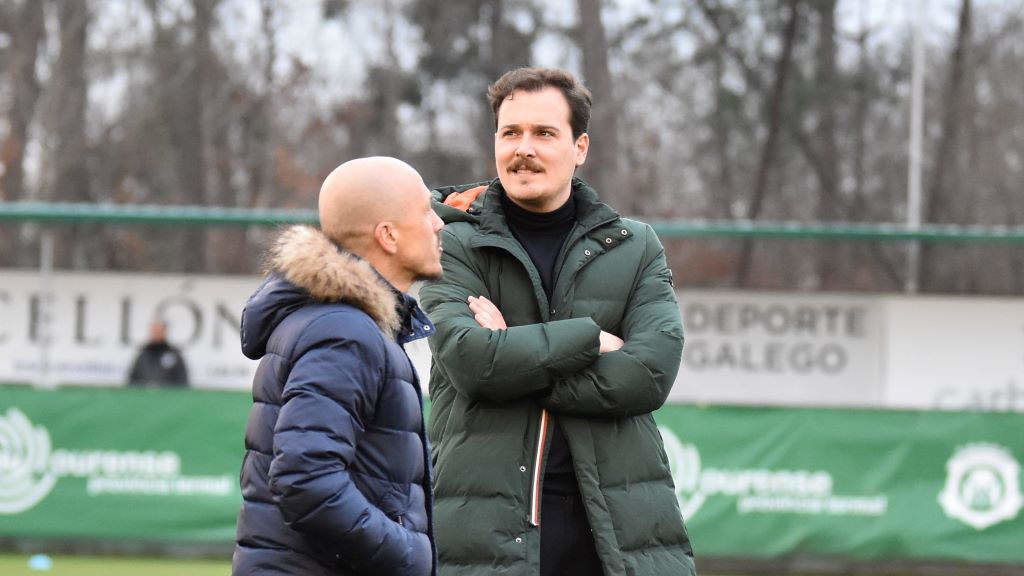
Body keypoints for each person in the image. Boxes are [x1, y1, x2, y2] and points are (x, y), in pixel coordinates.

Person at [420, 67, 696, 576]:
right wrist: (588, 339)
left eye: (544, 133)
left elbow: (649, 373)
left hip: (619, 534)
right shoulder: (451, 243)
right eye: (511, 133)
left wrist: (514, 356)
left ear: (580, 147)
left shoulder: (635, 247)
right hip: (484, 537)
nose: (524, 147)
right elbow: (471, 364)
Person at [232, 157, 444, 576]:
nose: (439, 224)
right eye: (426, 211)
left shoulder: (348, 324)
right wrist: (409, 556)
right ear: (388, 235)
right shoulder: (344, 332)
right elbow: (306, 480)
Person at [126, 320, 189, 387]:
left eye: (159, 331)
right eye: (154, 331)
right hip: (144, 396)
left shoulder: (174, 355)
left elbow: (182, 380)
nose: (156, 334)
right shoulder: (143, 355)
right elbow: (132, 380)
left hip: (168, 396)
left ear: (164, 332)